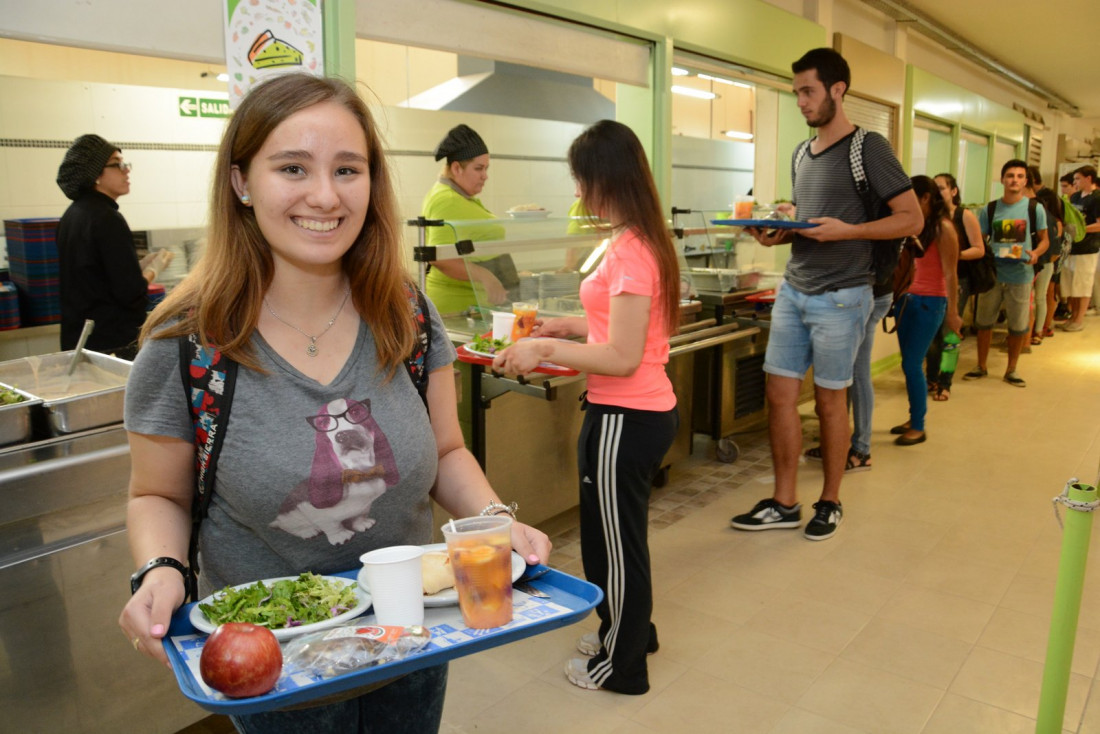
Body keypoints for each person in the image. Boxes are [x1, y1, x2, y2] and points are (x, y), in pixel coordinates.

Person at [117, 74, 550, 734]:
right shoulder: (188, 344)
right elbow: (158, 495)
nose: (325, 195)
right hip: (274, 664)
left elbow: (448, 450)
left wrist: (492, 520)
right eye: (293, 167)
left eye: (347, 169)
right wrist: (160, 569)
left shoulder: (407, 313)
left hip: (410, 641)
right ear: (241, 182)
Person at [493, 120, 680, 695]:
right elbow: (629, 329)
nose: (577, 193)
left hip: (625, 416)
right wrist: (569, 325)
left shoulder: (630, 252)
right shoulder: (641, 240)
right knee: (610, 538)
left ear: (607, 179)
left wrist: (546, 346)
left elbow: (623, 356)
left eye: (581, 180)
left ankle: (622, 667)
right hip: (637, 412)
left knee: (617, 549)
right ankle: (629, 632)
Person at [729, 47, 921, 540]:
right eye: (796, 92)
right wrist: (779, 233)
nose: (800, 101)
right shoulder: (801, 153)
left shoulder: (869, 148)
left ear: (838, 90)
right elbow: (811, 224)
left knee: (831, 401)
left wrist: (848, 232)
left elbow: (911, 218)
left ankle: (830, 500)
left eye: (808, 91)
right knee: (779, 395)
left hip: (843, 296)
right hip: (795, 290)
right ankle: (784, 501)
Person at [55, 134, 171, 359]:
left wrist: (134, 266)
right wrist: (153, 270)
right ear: (96, 175)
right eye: (117, 165)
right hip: (112, 344)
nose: (126, 170)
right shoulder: (107, 218)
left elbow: (94, 278)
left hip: (80, 341)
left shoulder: (72, 215)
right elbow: (130, 293)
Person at [962, 159, 1048, 387]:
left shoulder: (1034, 208)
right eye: (1010, 175)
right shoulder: (990, 209)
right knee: (983, 322)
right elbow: (978, 239)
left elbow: (1044, 240)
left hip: (1021, 275)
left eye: (1020, 176)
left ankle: (1012, 369)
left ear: (1026, 181)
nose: (1014, 180)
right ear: (1002, 179)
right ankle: (981, 365)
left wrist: (1036, 253)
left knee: (1018, 325)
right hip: (992, 276)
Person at [889, 176, 961, 445]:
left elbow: (951, 274)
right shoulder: (915, 226)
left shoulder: (944, 228)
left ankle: (918, 426)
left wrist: (953, 312)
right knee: (909, 364)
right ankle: (913, 417)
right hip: (907, 299)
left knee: (911, 362)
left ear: (926, 198)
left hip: (931, 302)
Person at [420, 124, 510, 314]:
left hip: (474, 307)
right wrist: (486, 276)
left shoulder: (460, 197)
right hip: (455, 309)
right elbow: (438, 256)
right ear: (456, 168)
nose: (485, 176)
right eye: (479, 168)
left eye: (486, 168)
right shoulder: (446, 199)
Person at [923, 173, 985, 401]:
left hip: (958, 281)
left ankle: (945, 381)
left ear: (953, 191)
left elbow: (979, 248)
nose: (939, 193)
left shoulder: (963, 216)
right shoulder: (928, 218)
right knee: (931, 337)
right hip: (931, 285)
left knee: (950, 333)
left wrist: (954, 256)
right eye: (935, 188)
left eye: (942, 187)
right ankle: (931, 378)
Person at [1062, 165, 1100, 331]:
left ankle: (1079, 319)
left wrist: (1082, 230)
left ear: (1088, 178)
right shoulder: (1075, 197)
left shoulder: (1097, 197)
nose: (1075, 182)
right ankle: (1072, 315)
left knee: (1083, 284)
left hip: (1088, 248)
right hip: (1073, 247)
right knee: (1072, 284)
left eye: (1078, 179)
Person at [1030, 187, 1064, 345]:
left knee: (1034, 298)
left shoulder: (1043, 217)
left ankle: (1032, 332)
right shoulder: (1054, 219)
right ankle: (1038, 331)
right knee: (1040, 297)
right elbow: (1056, 249)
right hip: (1047, 262)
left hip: (1037, 262)